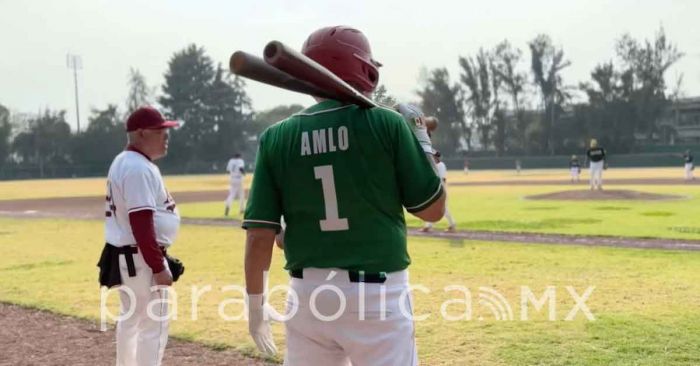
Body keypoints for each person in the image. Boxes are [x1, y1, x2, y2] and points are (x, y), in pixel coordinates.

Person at [242, 25, 445, 366]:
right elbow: (433, 210)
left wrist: (255, 305)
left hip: (307, 296)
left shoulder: (276, 137)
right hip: (376, 295)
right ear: (365, 68)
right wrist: (424, 143)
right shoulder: (387, 124)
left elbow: (262, 236)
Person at [98, 106, 180, 366]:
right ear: (142, 133)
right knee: (153, 325)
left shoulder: (125, 162)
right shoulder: (137, 168)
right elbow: (141, 223)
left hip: (131, 257)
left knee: (131, 320)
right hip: (142, 259)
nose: (166, 136)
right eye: (161, 131)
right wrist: (158, 265)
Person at [421, 150, 456, 232]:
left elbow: (442, 179)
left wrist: (440, 190)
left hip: (440, 188)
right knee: (431, 206)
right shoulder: (434, 165)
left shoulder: (441, 165)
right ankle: (428, 226)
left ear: (436, 157)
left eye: (433, 156)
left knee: (443, 208)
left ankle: (452, 224)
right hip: (436, 189)